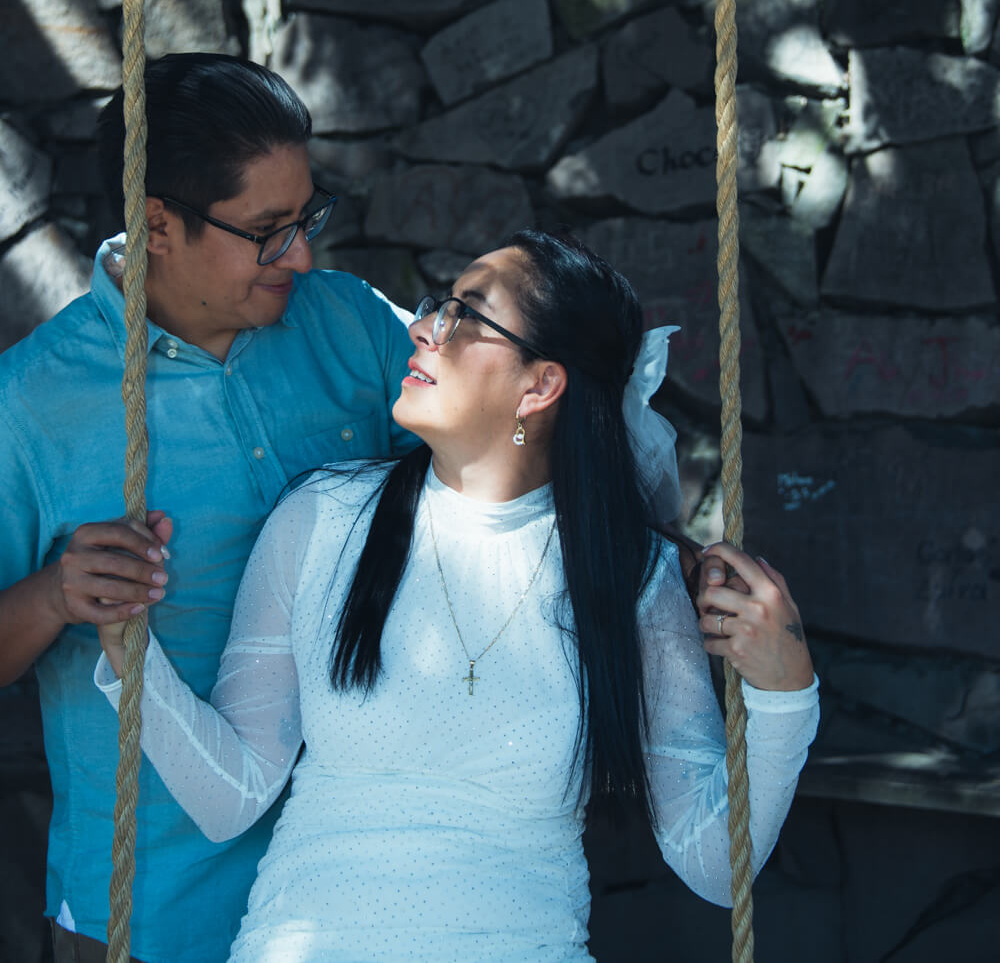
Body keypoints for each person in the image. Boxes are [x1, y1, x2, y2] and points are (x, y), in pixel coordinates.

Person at [96, 230, 819, 963]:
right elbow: (232, 797)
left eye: (465, 315)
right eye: (436, 306)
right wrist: (129, 651)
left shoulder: (633, 576)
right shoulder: (321, 519)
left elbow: (716, 866)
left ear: (540, 386)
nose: (422, 330)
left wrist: (785, 695)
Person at [0, 54, 418, 963]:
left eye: (306, 217)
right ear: (157, 223)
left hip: (369, 898)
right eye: (267, 231)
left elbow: (500, 489)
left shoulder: (353, 324)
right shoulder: (28, 404)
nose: (301, 255)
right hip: (153, 915)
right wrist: (53, 596)